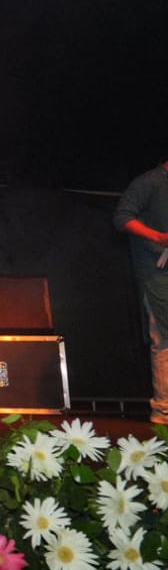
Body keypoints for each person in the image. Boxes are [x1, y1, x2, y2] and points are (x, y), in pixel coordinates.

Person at [114, 158, 168, 424]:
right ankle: (163, 411)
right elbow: (122, 218)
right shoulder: (150, 182)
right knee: (164, 337)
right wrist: (159, 237)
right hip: (156, 275)